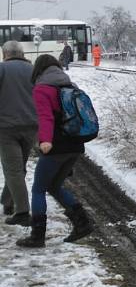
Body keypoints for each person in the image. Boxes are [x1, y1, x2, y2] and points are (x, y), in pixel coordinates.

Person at [17, 55, 95, 247]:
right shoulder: (70, 85)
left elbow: (45, 117)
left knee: (38, 189)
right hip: (75, 145)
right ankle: (82, 223)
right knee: (54, 186)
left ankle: (37, 236)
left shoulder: (42, 89)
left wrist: (45, 141)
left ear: (39, 70)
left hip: (56, 147)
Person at [0, 41, 38, 226]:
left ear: (4, 53)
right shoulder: (33, 70)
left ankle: (22, 212)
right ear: (22, 53)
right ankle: (8, 202)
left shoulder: (2, 69)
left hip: (6, 128)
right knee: (18, 167)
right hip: (31, 126)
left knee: (13, 169)